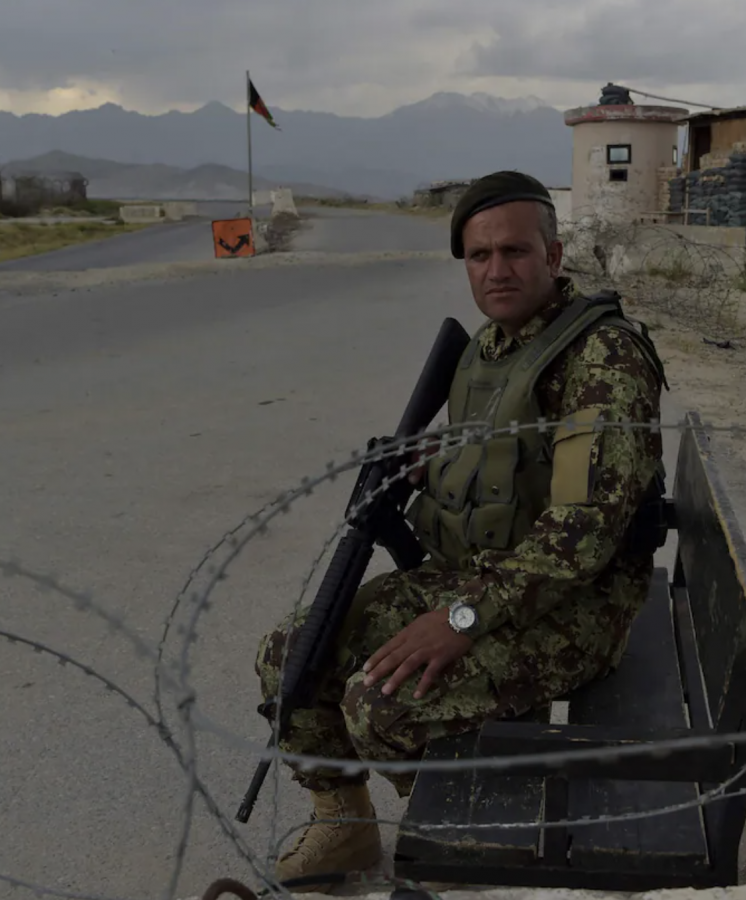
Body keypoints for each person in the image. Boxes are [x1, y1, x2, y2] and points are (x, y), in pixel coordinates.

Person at [253, 170, 669, 887]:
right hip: (480, 579)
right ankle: (344, 825)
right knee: (294, 651)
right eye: (480, 257)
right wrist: (428, 463)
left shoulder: (600, 358)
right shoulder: (492, 349)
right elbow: (505, 457)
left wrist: (462, 617)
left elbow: (582, 533)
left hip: (578, 607)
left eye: (514, 252)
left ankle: (464, 845)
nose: (497, 271)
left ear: (554, 256)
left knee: (383, 704)